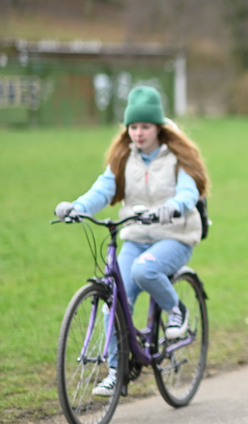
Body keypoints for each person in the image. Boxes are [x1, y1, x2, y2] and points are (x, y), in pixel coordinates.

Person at [55, 86, 210, 396]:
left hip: (175, 236)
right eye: (133, 127)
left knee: (144, 270)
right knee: (111, 299)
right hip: (137, 237)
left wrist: (175, 206)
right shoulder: (125, 158)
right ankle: (117, 370)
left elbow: (188, 191)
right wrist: (77, 207)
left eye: (145, 126)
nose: (138, 133)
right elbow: (102, 190)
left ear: (158, 128)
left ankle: (176, 309)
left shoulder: (177, 158)